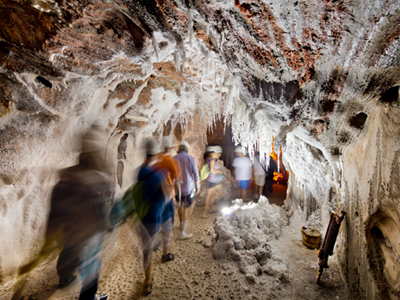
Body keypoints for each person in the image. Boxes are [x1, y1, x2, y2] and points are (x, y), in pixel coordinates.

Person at [45, 124, 114, 300]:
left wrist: (51, 230)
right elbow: (101, 209)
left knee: (67, 253)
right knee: (91, 267)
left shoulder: (66, 176)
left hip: (69, 230)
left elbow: (55, 207)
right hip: (88, 234)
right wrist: (106, 224)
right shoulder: (97, 178)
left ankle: (65, 277)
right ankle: (89, 297)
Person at [136, 137, 167, 297]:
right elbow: (165, 198)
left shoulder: (139, 171)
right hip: (153, 218)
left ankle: (147, 275)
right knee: (148, 250)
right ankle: (147, 281)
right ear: (154, 155)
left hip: (140, 218)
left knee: (145, 249)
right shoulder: (158, 175)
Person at [154, 136, 180, 263]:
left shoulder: (154, 159)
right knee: (167, 224)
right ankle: (165, 253)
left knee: (156, 219)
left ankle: (154, 242)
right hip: (166, 195)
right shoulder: (168, 161)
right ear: (169, 148)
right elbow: (174, 179)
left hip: (154, 195)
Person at [174, 140, 200, 239]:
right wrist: (198, 186)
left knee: (180, 205)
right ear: (187, 149)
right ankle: (182, 232)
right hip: (188, 187)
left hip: (178, 188)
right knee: (188, 206)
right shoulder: (190, 158)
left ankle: (181, 223)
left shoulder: (174, 158)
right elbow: (196, 174)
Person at [202, 146, 224, 218]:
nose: (219, 154)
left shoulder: (212, 159)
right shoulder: (212, 160)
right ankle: (204, 213)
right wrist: (220, 171)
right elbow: (212, 170)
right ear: (214, 153)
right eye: (218, 153)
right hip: (213, 181)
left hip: (214, 180)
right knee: (209, 197)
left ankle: (211, 208)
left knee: (212, 195)